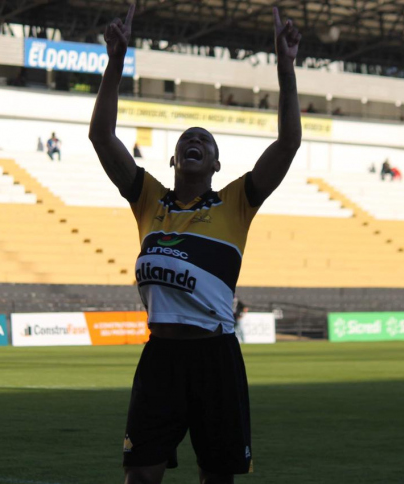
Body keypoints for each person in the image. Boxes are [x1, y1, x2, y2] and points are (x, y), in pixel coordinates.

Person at [89, 5, 301, 483]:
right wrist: (115, 62)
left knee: (217, 477)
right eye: (187, 137)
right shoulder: (147, 199)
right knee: (140, 476)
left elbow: (288, 143)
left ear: (216, 165)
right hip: (161, 357)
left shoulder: (236, 203)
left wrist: (285, 68)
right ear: (173, 157)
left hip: (215, 358)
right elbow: (101, 136)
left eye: (204, 140)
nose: (195, 141)